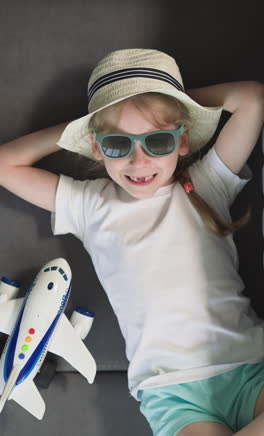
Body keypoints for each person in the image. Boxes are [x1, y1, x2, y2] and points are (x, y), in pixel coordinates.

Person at [0, 48, 264, 436]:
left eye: (157, 142)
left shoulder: (207, 185)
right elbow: (6, 165)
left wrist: (177, 105)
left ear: (183, 141)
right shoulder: (90, 203)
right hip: (170, 390)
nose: (138, 162)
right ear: (96, 148)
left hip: (248, 364)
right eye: (117, 145)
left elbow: (252, 99)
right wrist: (84, 128)